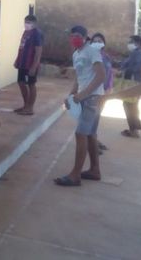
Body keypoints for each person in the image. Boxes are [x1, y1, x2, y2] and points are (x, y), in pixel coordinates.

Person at [54, 26, 105, 187]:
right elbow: (79, 77)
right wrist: (71, 95)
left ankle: (75, 175)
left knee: (81, 134)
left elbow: (101, 76)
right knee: (90, 134)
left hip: (92, 98)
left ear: (85, 37)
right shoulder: (76, 54)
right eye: (72, 36)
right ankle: (95, 170)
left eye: (78, 36)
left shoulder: (91, 51)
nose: (74, 38)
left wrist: (84, 95)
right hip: (84, 97)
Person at [13, 14, 43, 115]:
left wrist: (34, 66)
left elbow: (38, 51)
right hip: (22, 63)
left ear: (34, 24)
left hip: (30, 64)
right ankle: (26, 105)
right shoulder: (26, 32)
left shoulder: (36, 34)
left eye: (29, 23)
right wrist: (17, 60)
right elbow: (21, 47)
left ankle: (30, 108)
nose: (26, 24)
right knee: (21, 83)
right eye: (25, 22)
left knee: (31, 84)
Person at [118, 35, 141, 137]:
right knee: (131, 105)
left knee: (129, 105)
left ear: (137, 43)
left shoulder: (139, 54)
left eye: (131, 41)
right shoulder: (136, 53)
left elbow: (136, 68)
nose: (129, 43)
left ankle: (134, 130)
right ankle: (134, 129)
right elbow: (126, 64)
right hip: (133, 82)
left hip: (133, 83)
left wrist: (124, 70)